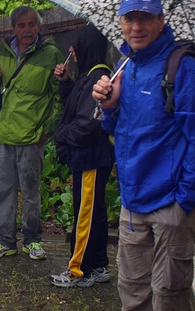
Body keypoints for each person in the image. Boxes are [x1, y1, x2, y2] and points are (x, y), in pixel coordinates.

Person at [91, 0, 195, 310]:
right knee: (132, 293)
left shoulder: (185, 69)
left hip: (170, 206)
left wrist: (183, 205)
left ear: (161, 20)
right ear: (120, 22)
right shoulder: (128, 66)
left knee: (168, 297)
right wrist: (109, 107)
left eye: (145, 18)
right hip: (133, 205)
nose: (136, 27)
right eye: (129, 18)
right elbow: (120, 131)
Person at [0, 6, 64, 261]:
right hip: (1, 133)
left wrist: (46, 131)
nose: (26, 30)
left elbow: (59, 97)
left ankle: (32, 240)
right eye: (21, 25)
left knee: (30, 191)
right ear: (13, 28)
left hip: (31, 136)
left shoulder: (51, 54)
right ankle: (4, 241)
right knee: (4, 191)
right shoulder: (1, 49)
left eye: (31, 24)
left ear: (39, 27)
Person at [49, 24, 114, 288]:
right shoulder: (89, 75)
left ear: (89, 46)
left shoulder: (99, 77)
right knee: (95, 210)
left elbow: (88, 123)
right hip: (92, 157)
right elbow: (77, 104)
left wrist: (61, 135)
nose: (72, 50)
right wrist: (66, 83)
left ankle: (78, 269)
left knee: (84, 212)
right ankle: (97, 264)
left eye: (77, 44)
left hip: (91, 157)